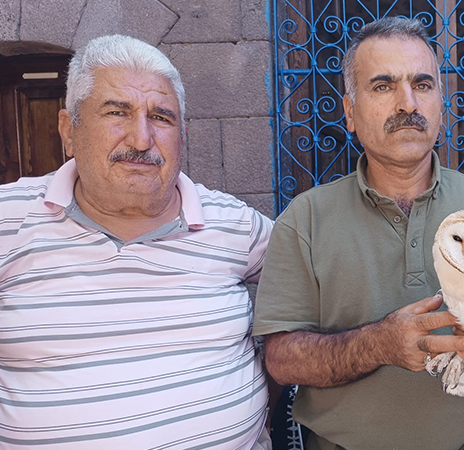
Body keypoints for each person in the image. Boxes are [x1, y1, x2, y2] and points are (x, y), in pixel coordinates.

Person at [254, 16, 464, 450]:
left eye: (422, 84)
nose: (407, 103)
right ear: (350, 113)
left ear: (441, 104)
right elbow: (281, 359)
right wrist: (379, 345)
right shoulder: (305, 219)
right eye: (383, 86)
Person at [0, 35, 274, 449]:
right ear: (68, 130)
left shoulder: (236, 225)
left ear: (183, 134)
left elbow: (318, 285)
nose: (141, 139)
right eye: (117, 112)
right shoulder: (8, 219)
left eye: (161, 118)